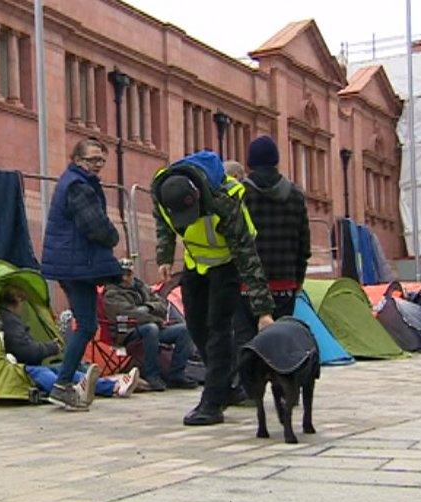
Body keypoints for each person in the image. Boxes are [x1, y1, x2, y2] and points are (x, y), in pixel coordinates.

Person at [153, 150, 274, 426]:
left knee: (218, 330)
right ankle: (229, 385)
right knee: (196, 327)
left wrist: (263, 311)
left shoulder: (224, 202)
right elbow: (163, 224)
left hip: (227, 264)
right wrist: (164, 256)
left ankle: (212, 403)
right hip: (195, 264)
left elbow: (248, 258)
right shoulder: (160, 189)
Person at [40, 138, 124, 410]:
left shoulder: (74, 181)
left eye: (101, 159)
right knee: (86, 324)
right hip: (77, 266)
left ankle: (66, 381)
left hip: (73, 265)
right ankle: (63, 383)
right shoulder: (79, 186)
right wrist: (114, 236)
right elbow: (95, 225)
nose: (97, 164)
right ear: (78, 160)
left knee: (85, 323)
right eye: (92, 160)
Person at [0, 284, 138, 403]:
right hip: (21, 367)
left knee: (64, 371)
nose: (23, 307)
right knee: (49, 375)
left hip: (25, 365)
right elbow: (26, 351)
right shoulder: (10, 321)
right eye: (22, 302)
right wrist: (52, 347)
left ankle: (115, 386)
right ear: (16, 301)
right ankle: (73, 390)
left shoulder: (8, 319)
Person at [234, 136, 311, 355]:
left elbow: (235, 240)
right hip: (284, 284)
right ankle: (282, 387)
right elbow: (303, 244)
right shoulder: (295, 195)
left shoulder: (241, 194)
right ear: (276, 160)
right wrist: (298, 279)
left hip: (246, 286)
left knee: (246, 346)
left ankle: (248, 387)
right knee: (280, 348)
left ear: (250, 162)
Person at [103, 258, 197, 391]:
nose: (125, 277)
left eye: (128, 273)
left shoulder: (142, 287)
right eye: (122, 274)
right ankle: (152, 375)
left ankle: (176, 375)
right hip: (127, 332)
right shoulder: (111, 294)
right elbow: (130, 314)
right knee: (151, 329)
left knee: (184, 329)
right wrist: (155, 317)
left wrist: (148, 308)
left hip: (153, 326)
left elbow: (163, 304)